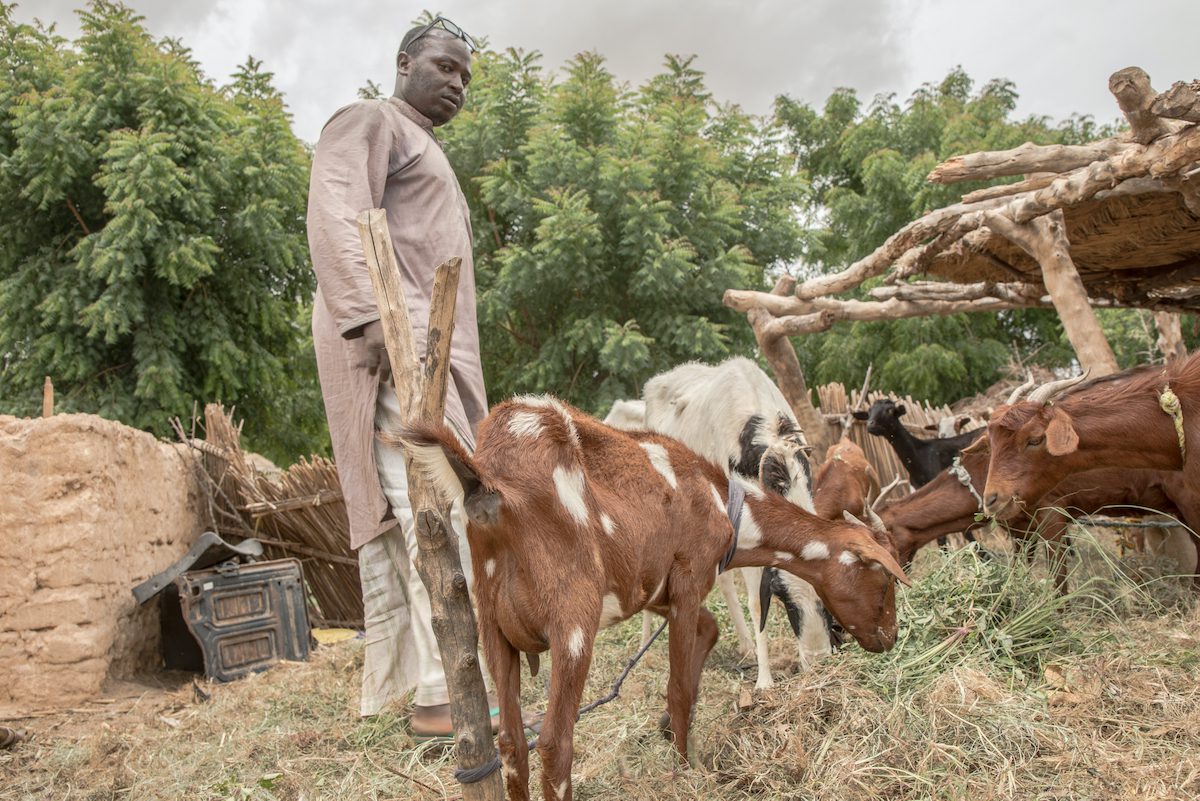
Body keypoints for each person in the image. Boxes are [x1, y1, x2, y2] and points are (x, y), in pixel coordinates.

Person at [306, 17, 487, 738]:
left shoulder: (425, 148)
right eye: (445, 66)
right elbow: (337, 206)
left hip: (427, 354)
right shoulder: (373, 119)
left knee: (443, 506)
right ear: (405, 62)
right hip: (397, 347)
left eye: (466, 76)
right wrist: (375, 321)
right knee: (430, 508)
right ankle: (445, 698)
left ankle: (436, 688)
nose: (457, 83)